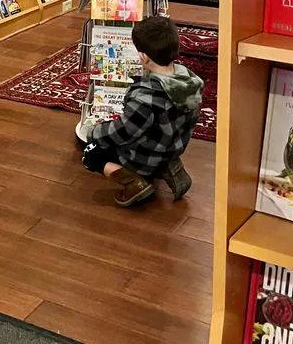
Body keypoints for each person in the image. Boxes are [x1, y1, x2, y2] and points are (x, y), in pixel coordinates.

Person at [82, 16, 203, 207]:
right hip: (171, 148)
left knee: (91, 154)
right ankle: (169, 167)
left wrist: (94, 132)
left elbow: (123, 131)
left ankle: (135, 183)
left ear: (144, 57)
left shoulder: (146, 97)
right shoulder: (189, 80)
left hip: (143, 157)